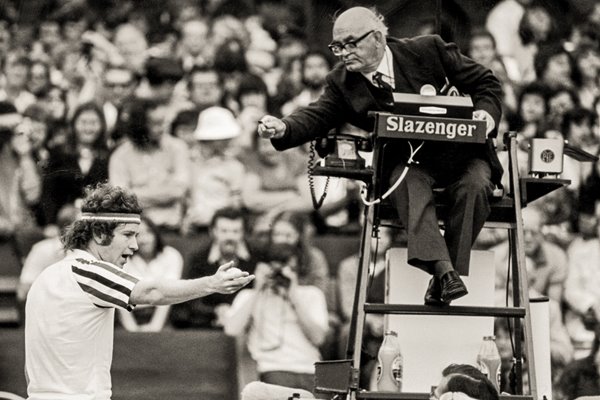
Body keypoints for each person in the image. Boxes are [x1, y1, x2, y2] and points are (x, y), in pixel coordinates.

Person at [257, 6, 503, 306]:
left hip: (464, 154)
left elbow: (486, 83)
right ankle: (445, 272)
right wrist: (284, 127)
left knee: (475, 187)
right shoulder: (342, 81)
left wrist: (486, 116)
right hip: (409, 163)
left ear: (376, 38)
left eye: (351, 43)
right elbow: (318, 114)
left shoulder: (428, 50)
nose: (343, 53)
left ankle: (443, 276)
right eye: (337, 46)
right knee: (407, 182)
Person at [24, 183, 254, 399]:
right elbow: (153, 292)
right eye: (128, 235)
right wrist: (212, 284)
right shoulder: (90, 272)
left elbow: (30, 370)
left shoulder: (45, 278)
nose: (135, 245)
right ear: (99, 233)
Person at [224, 242, 328, 394]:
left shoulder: (311, 294)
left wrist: (294, 298)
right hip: (272, 369)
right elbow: (231, 329)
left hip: (311, 370)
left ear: (298, 269)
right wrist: (258, 288)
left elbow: (318, 338)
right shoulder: (249, 296)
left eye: (289, 269)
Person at [172, 206, 257, 329]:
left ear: (243, 232)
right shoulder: (199, 258)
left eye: (235, 231)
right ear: (213, 231)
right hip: (208, 323)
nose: (230, 237)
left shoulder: (256, 256)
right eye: (224, 231)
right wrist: (215, 311)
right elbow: (188, 299)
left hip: (248, 324)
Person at [116, 215, 184, 332]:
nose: (144, 240)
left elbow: (169, 293)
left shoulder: (171, 255)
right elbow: (119, 294)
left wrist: (155, 326)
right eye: (137, 235)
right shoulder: (122, 258)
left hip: (162, 315)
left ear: (156, 234)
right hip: (129, 316)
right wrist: (131, 328)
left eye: (148, 233)